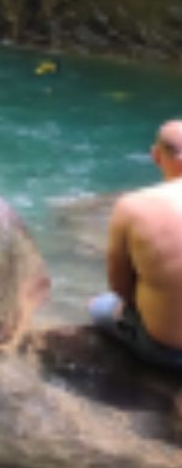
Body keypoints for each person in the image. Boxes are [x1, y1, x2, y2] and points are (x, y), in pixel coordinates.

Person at [89, 120, 182, 373]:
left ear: (155, 156)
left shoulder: (132, 206)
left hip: (167, 353)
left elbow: (119, 286)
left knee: (99, 306)